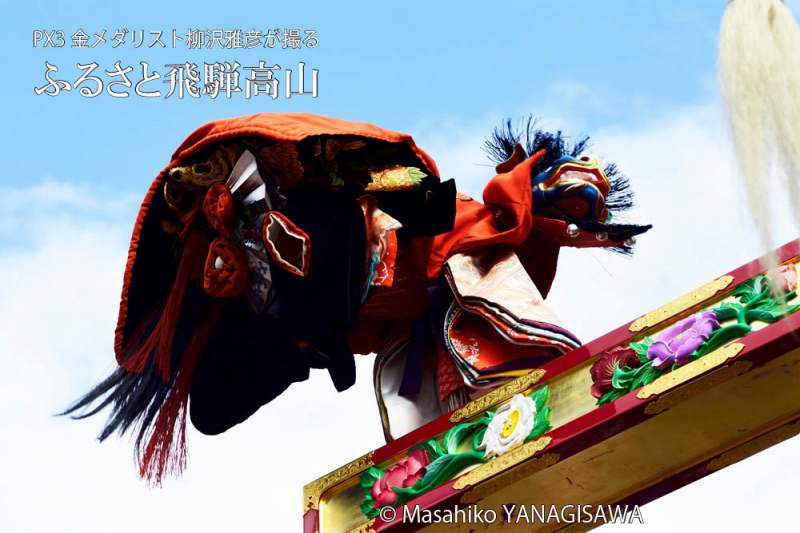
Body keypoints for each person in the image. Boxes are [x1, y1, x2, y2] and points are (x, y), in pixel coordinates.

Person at [62, 113, 650, 484]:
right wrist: (299, 340)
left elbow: (412, 195)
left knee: (483, 357)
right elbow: (213, 411)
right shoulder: (284, 277)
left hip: (411, 296)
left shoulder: (389, 210)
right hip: (356, 318)